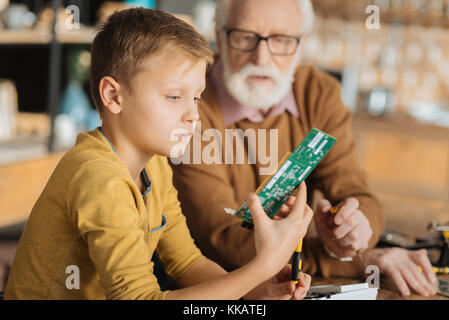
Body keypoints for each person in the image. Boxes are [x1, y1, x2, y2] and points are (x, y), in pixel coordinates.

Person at [3, 8, 313, 300]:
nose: (193, 115)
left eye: (196, 97)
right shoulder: (98, 177)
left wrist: (253, 289)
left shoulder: (157, 165)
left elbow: (187, 263)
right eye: (174, 96)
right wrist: (261, 266)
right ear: (113, 96)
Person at [170, 0, 437, 297]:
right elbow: (223, 241)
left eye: (281, 40)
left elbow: (360, 196)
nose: (262, 56)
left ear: (301, 44)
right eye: (245, 37)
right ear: (219, 36)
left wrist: (353, 230)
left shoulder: (319, 94)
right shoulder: (190, 102)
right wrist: (353, 259)